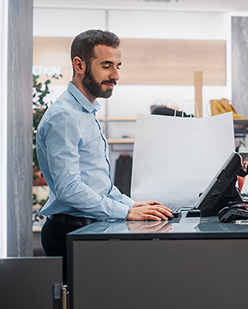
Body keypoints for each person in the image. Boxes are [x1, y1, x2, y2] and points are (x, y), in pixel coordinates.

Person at [36, 29, 172, 280]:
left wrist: (131, 204)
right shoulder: (65, 116)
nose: (116, 75)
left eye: (118, 66)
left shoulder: (85, 112)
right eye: (107, 66)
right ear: (79, 64)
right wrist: (125, 212)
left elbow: (99, 185)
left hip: (88, 229)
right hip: (70, 231)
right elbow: (69, 188)